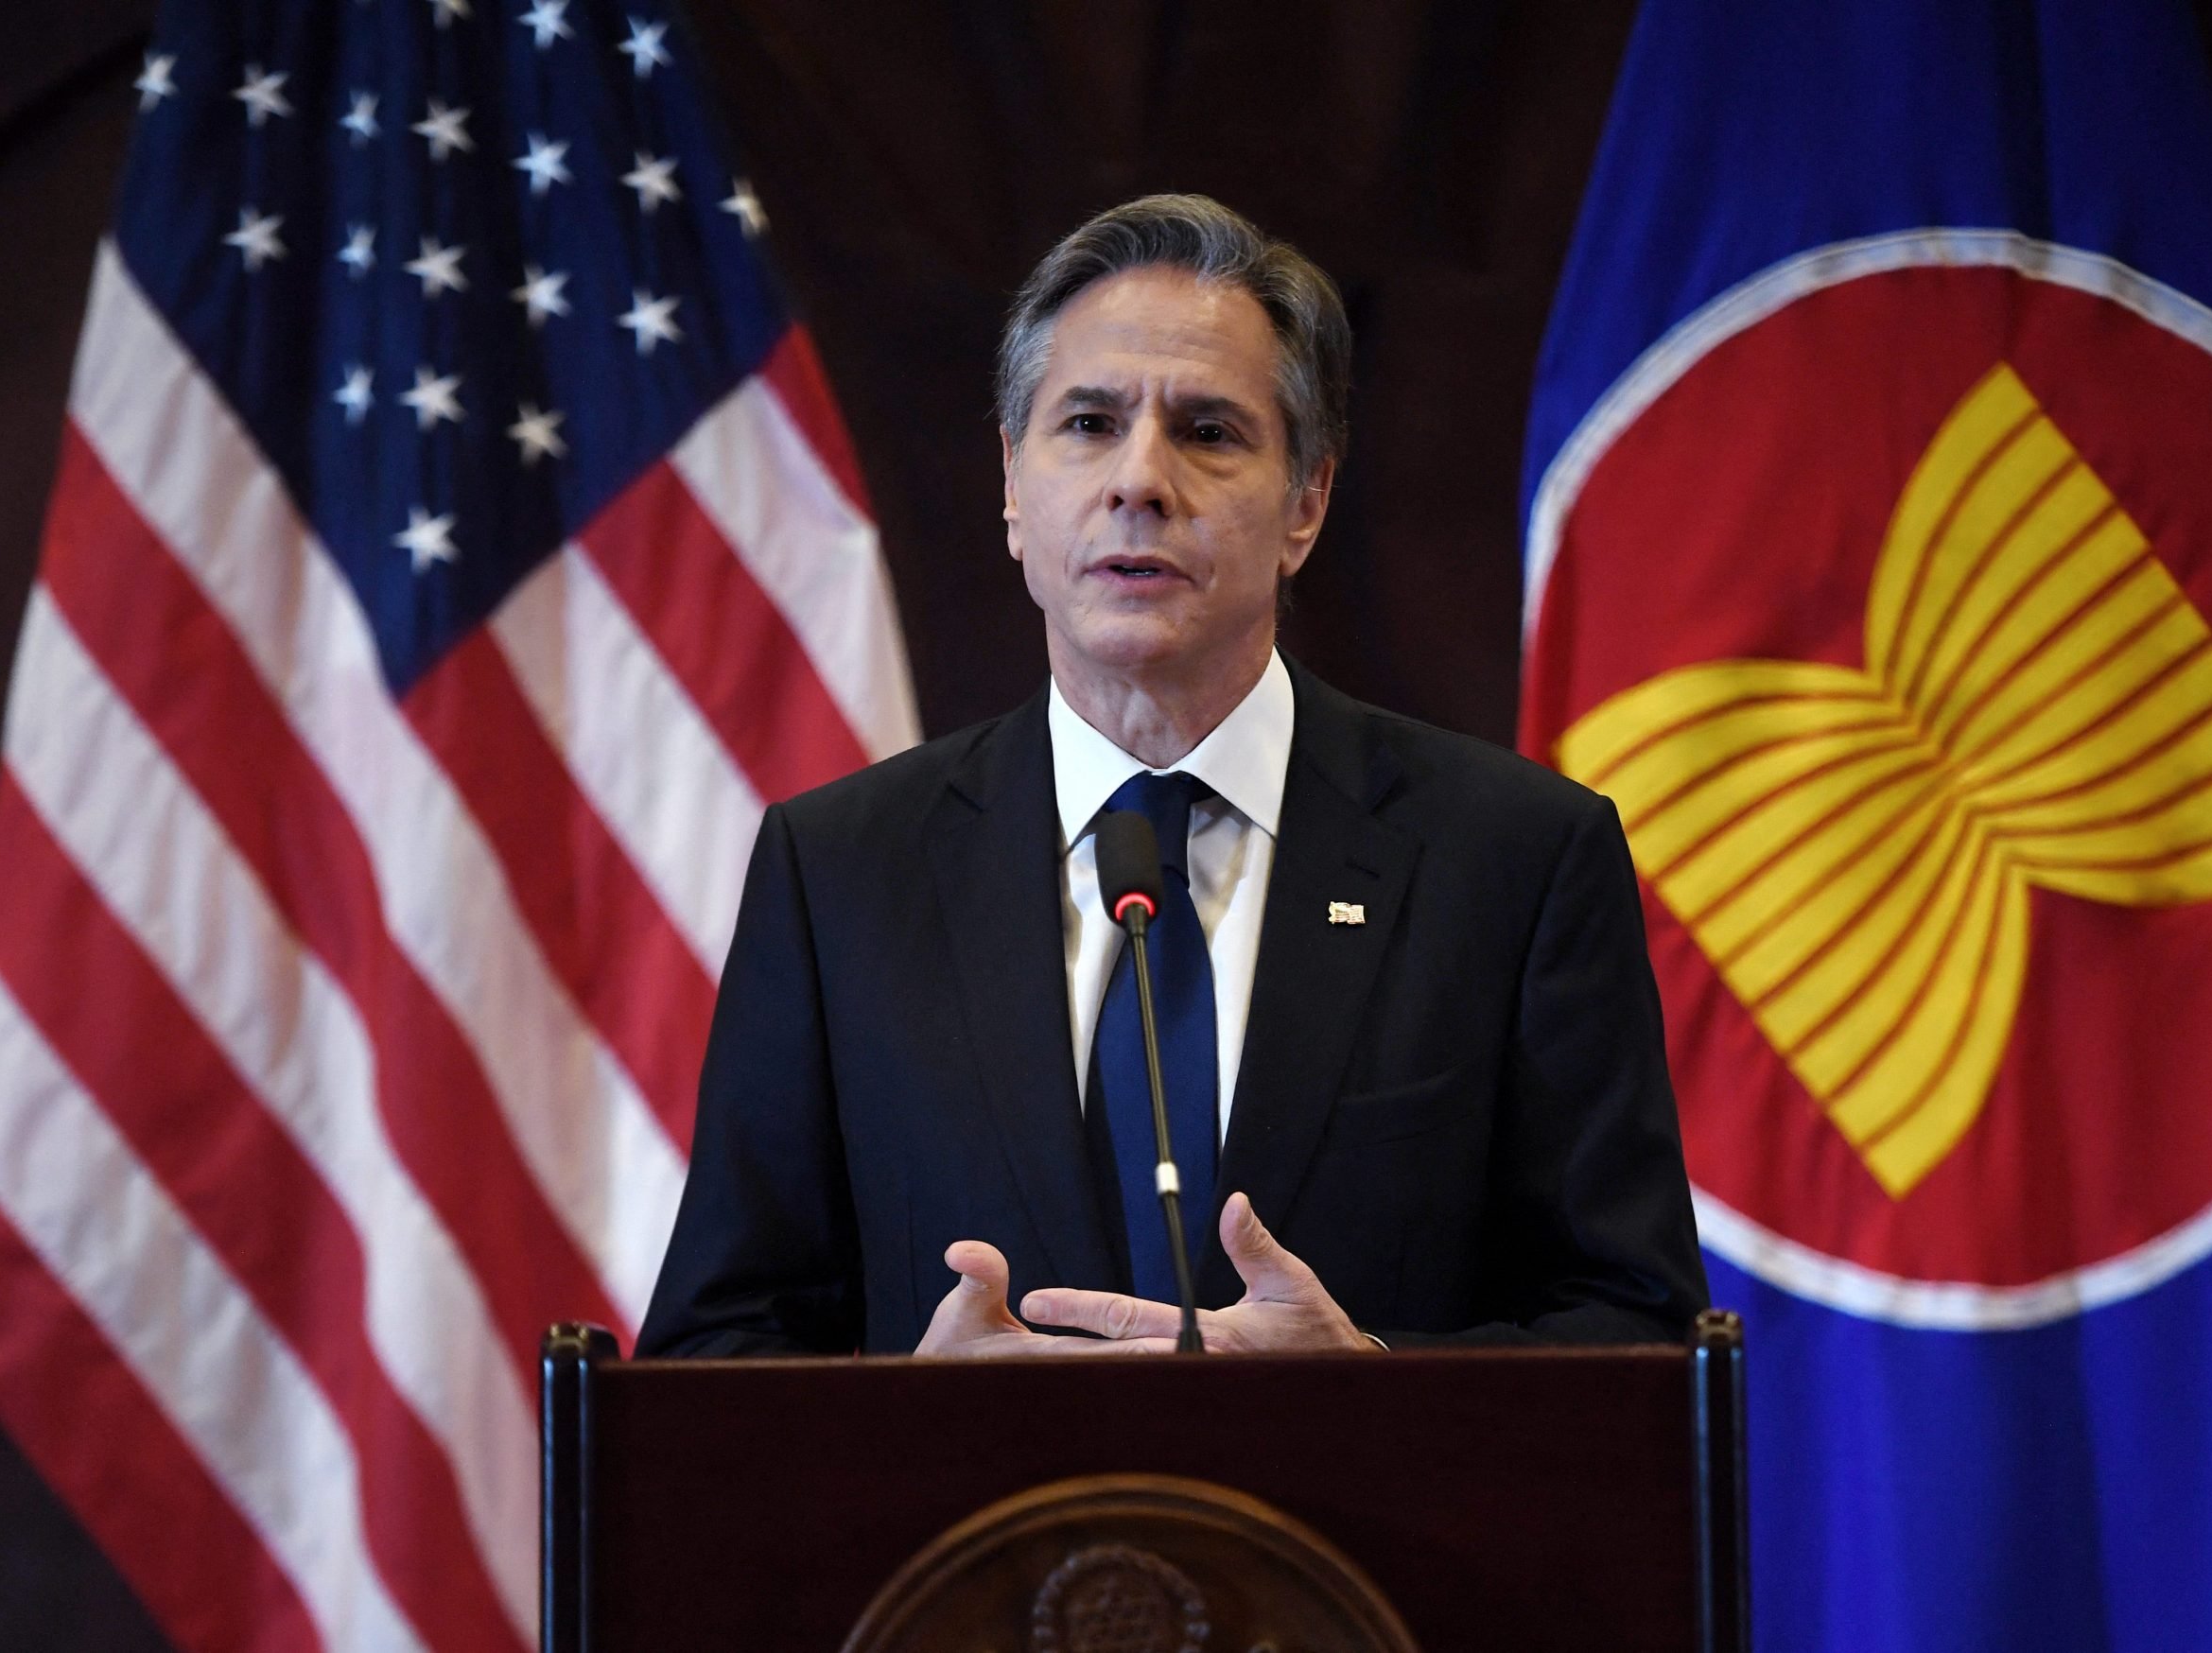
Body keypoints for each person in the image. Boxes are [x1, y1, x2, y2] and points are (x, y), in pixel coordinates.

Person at [637, 194, 1706, 1358]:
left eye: (1208, 431)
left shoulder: (1515, 858)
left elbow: (1639, 1336)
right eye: (1089, 423)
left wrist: (1375, 1390)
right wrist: (909, 1422)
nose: (1140, 479)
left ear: (1306, 502)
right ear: (1011, 484)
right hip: (974, 1544)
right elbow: (714, 1350)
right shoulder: (840, 871)